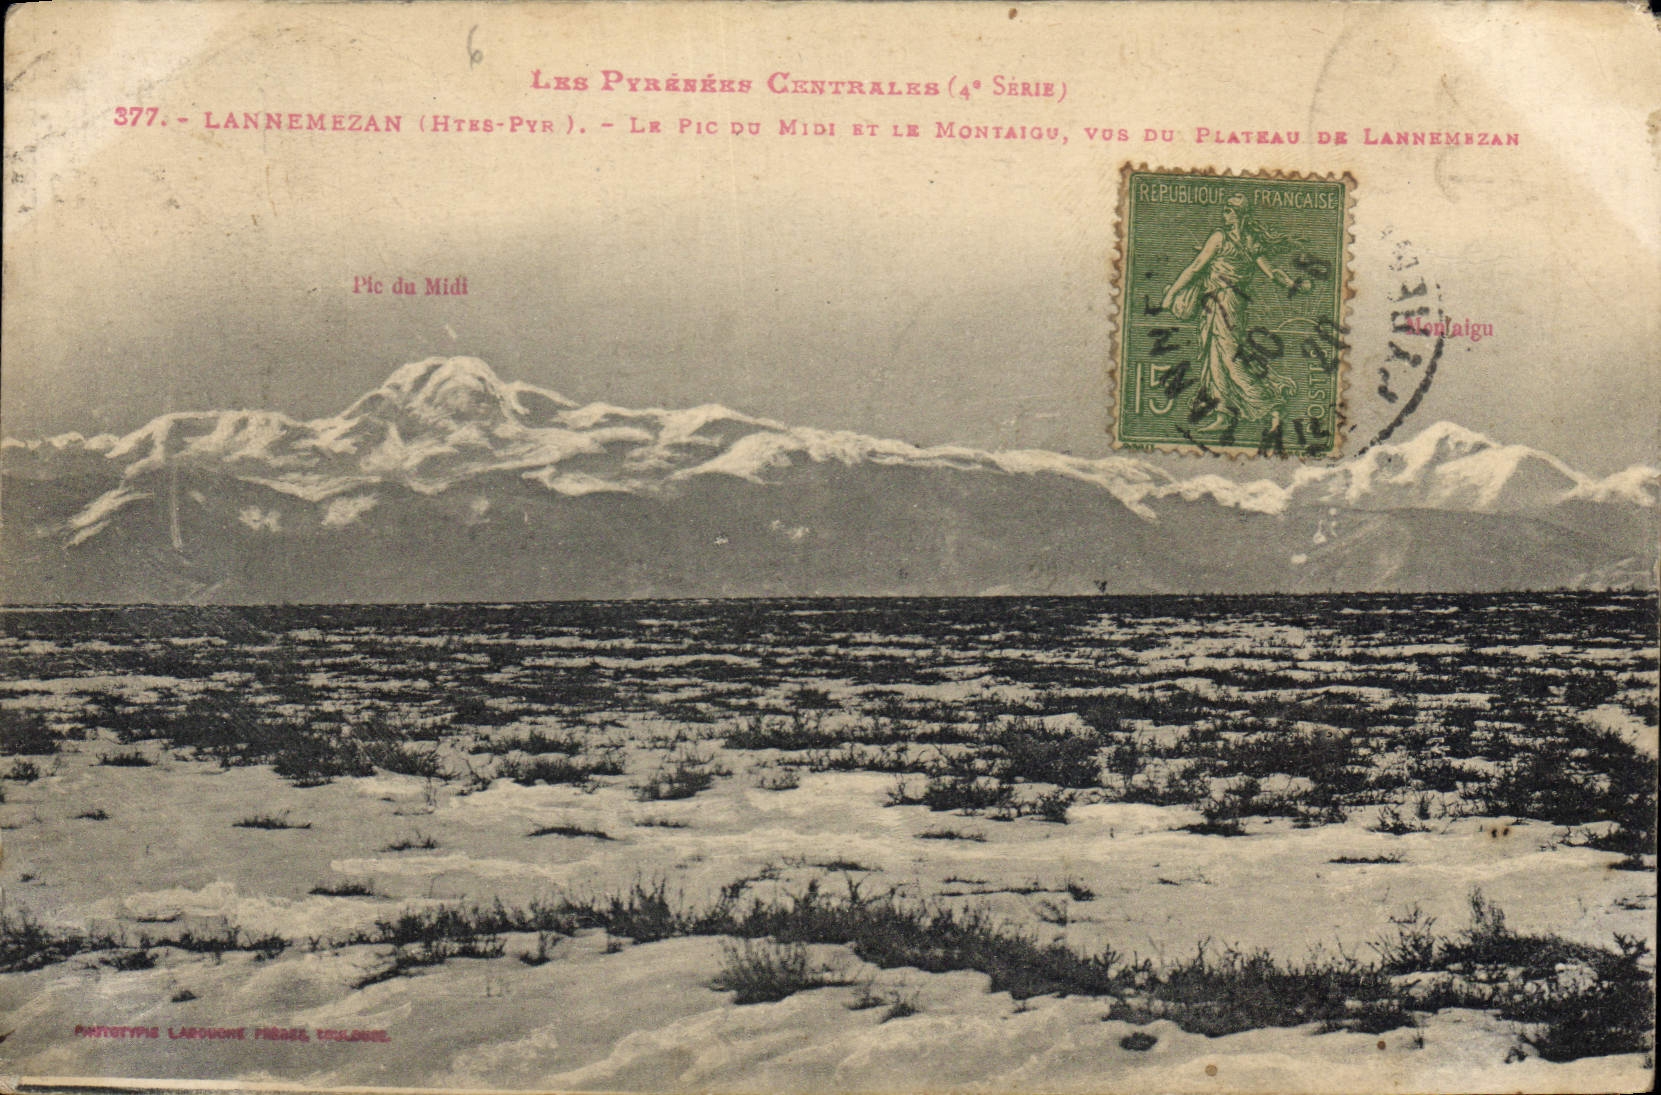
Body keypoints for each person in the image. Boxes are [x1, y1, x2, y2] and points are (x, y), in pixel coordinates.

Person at [1159, 195, 1311, 433]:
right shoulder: (1252, 241)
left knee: (1230, 357)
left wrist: (1171, 294)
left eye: (1229, 209)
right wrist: (1292, 285)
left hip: (1224, 302)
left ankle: (1273, 405)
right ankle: (1224, 414)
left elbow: (1197, 266)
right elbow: (1273, 273)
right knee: (1216, 356)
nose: (1225, 213)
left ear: (1240, 214)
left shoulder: (1220, 237)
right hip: (1226, 302)